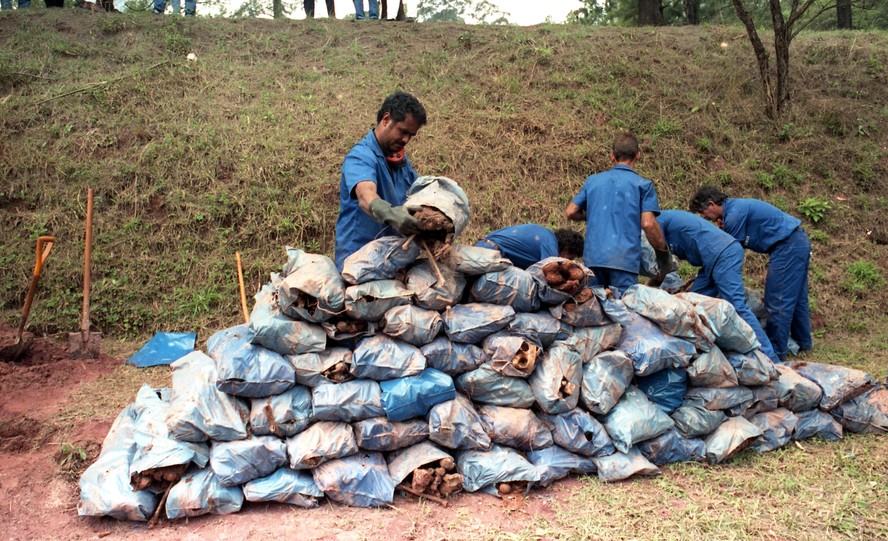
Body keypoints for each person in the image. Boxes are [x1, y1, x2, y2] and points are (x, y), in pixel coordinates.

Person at [690, 186, 812, 360]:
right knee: (797, 298)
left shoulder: (733, 215)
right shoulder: (735, 210)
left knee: (777, 300)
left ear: (711, 204)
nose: (704, 217)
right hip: (797, 241)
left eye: (703, 212)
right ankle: (804, 343)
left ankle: (776, 353)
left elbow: (727, 251)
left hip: (787, 246)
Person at [654, 209, 779, 363]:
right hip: (712, 261)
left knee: (737, 305)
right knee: (689, 305)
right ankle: (695, 352)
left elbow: (661, 263)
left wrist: (651, 287)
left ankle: (770, 357)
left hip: (723, 254)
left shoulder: (654, 222)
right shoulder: (662, 220)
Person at [565, 133, 672, 295]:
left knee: (593, 306)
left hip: (593, 259)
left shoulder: (593, 181)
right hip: (624, 260)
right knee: (624, 309)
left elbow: (571, 211)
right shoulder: (643, 185)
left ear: (612, 156)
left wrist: (591, 215)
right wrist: (662, 254)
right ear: (637, 156)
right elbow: (648, 224)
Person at [334, 91, 427, 270]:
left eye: (411, 136)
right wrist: (390, 213)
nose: (406, 140)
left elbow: (418, 190)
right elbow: (365, 195)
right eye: (403, 132)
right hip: (359, 259)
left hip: (391, 258)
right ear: (386, 119)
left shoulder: (399, 161)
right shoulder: (361, 156)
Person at [475, 225, 584, 270]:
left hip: (482, 247)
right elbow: (549, 270)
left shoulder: (543, 236)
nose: (567, 261)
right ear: (566, 249)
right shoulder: (551, 244)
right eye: (570, 258)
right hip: (490, 253)